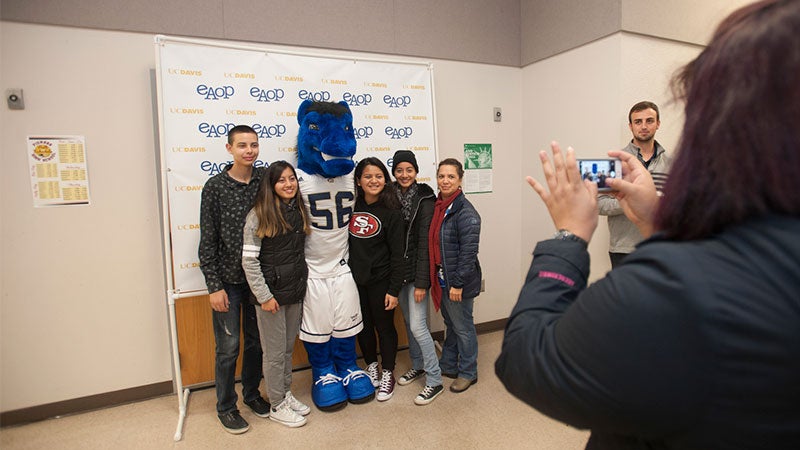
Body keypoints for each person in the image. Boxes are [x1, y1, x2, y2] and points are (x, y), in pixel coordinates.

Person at [496, 1, 800, 448]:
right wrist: (660, 220)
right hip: (629, 246)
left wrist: (568, 235)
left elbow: (525, 361)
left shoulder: (670, 294)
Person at [198, 125, 270, 434]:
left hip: (258, 280)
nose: (249, 150)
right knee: (228, 347)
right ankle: (226, 406)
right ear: (229, 149)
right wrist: (213, 286)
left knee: (256, 343)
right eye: (242, 145)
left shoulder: (264, 181)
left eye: (253, 144)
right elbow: (207, 240)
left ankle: (252, 394)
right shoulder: (214, 187)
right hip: (227, 281)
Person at [241, 161, 311, 428]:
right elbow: (249, 262)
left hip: (293, 292)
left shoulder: (298, 210)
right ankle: (277, 404)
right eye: (281, 180)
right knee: (273, 354)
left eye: (291, 179)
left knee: (286, 349)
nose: (288, 184)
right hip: (270, 298)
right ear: (271, 185)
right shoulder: (258, 215)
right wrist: (263, 296)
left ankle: (285, 393)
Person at [348, 157, 405, 401]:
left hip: (382, 281)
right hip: (354, 281)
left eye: (379, 176)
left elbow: (398, 255)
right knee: (364, 327)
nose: (374, 180)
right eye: (368, 176)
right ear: (359, 181)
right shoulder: (350, 206)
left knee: (384, 327)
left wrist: (394, 290)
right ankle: (371, 365)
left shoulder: (392, 212)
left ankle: (388, 371)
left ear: (386, 179)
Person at [390, 150, 444, 405]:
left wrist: (423, 282)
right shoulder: (389, 196)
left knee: (418, 326)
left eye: (408, 170)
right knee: (409, 320)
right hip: (398, 274)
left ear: (416, 171)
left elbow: (426, 243)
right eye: (399, 170)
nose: (404, 175)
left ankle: (435, 380)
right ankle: (419, 365)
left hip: (417, 274)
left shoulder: (426, 198)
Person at [428, 158, 482, 393]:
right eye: (441, 176)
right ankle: (449, 363)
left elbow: (468, 253)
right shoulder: (440, 206)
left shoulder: (466, 212)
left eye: (451, 176)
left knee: (463, 327)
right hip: (443, 277)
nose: (445, 180)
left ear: (460, 179)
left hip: (459, 280)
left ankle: (469, 372)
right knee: (451, 323)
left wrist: (458, 284)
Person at [598, 101, 671, 268]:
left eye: (649, 120)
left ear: (658, 124)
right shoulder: (615, 162)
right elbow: (599, 204)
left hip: (661, 246)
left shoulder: (672, 163)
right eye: (638, 121)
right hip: (623, 249)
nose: (644, 126)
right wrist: (633, 200)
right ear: (630, 126)